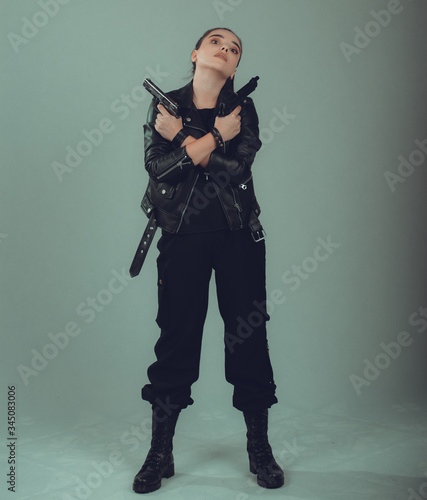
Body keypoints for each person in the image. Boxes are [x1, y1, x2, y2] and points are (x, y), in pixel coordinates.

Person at [132, 27, 284, 494]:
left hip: (239, 237)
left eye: (234, 49)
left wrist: (188, 140)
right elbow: (158, 172)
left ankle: (259, 447)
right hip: (182, 239)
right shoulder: (165, 107)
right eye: (217, 42)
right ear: (196, 53)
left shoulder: (244, 109)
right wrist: (215, 135)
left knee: (249, 340)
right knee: (176, 339)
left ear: (235, 68)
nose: (225, 49)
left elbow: (239, 171)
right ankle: (161, 450)